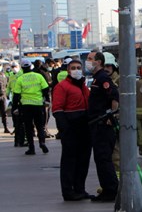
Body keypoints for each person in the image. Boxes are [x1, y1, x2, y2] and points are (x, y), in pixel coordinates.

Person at [52, 59, 92, 201]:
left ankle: (80, 189)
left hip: (84, 128)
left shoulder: (83, 86)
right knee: (70, 161)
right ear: (68, 71)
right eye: (73, 68)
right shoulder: (62, 87)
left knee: (83, 161)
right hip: (71, 129)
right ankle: (68, 192)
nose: (76, 70)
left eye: (78, 67)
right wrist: (64, 130)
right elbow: (57, 109)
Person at [86, 51, 119, 202]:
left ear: (98, 62)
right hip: (97, 125)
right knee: (100, 159)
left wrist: (110, 117)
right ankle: (107, 189)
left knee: (104, 159)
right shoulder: (96, 79)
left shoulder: (102, 78)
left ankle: (111, 191)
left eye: (90, 59)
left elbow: (114, 96)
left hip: (103, 126)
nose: (88, 61)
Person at [12, 59, 50, 155]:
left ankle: (31, 148)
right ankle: (42, 142)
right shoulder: (38, 76)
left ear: (22, 68)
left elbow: (16, 95)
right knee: (40, 126)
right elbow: (45, 89)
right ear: (30, 66)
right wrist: (47, 100)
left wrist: (15, 107)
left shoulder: (20, 79)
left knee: (29, 127)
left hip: (26, 106)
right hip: (38, 105)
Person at [7, 62, 25, 147]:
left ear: (19, 67)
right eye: (12, 67)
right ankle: (18, 140)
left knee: (22, 122)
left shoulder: (22, 74)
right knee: (16, 122)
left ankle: (21, 140)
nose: (14, 68)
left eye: (15, 66)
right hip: (15, 100)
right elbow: (9, 87)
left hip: (22, 100)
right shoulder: (11, 76)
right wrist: (7, 94)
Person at [0, 66, 9, 133]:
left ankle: (6, 127)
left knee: (4, 113)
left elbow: (6, 85)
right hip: (3, 95)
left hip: (3, 96)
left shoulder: (4, 76)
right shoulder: (4, 76)